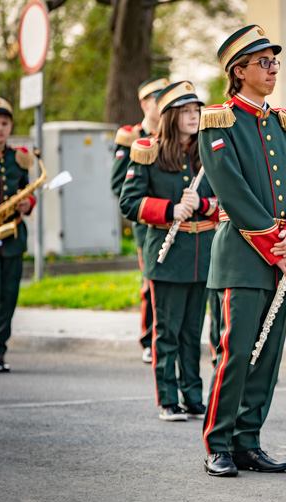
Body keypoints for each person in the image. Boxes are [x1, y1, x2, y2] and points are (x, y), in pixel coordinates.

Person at [198, 25, 286, 477]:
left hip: (281, 256)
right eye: (263, 62)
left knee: (268, 358)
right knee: (237, 352)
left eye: (274, 62)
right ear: (238, 70)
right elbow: (233, 192)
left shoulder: (283, 122)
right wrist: (274, 243)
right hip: (243, 258)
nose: (272, 69)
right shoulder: (219, 120)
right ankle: (219, 443)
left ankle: (248, 441)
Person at [119, 81, 217, 422]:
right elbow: (129, 202)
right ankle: (168, 398)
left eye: (197, 111)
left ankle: (192, 394)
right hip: (168, 253)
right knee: (168, 331)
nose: (194, 117)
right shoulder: (148, 151)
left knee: (193, 332)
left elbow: (225, 204)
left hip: (201, 253)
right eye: (187, 112)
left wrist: (203, 203)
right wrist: (169, 210)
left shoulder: (207, 153)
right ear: (172, 116)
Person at [111, 77, 170, 364]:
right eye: (158, 99)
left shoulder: (176, 137)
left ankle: (168, 336)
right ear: (145, 103)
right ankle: (149, 339)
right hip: (146, 223)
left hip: (175, 221)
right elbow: (119, 184)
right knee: (151, 281)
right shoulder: (130, 137)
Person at [0, 97, 34, 373]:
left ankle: (0, 351)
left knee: (8, 296)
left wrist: (27, 204)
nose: (0, 128)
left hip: (11, 238)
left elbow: (28, 191)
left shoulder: (18, 158)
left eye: (4, 123)